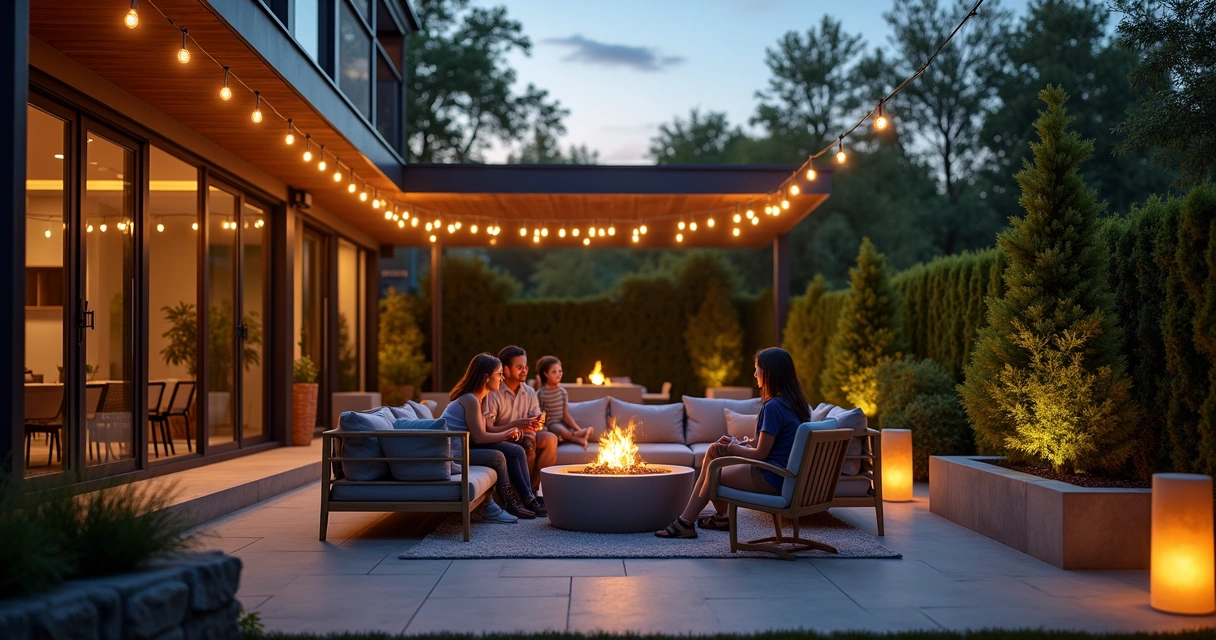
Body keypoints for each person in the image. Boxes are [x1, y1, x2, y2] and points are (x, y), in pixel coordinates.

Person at [656, 347, 810, 539]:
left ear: (769, 372)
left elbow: (761, 453)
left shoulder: (773, 407)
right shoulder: (794, 404)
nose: (755, 374)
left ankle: (686, 523)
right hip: (782, 474)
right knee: (713, 452)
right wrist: (740, 443)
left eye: (757, 369)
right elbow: (770, 444)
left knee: (713, 472)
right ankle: (718, 518)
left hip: (771, 476)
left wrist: (732, 448)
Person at [442, 353, 547, 519]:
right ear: (486, 376)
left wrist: (509, 432)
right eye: (499, 373)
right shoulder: (470, 399)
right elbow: (480, 438)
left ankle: (528, 499)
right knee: (498, 457)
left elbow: (481, 435)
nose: (502, 377)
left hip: (467, 445)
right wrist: (506, 434)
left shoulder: (479, 398)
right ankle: (510, 503)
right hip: (455, 453)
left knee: (516, 450)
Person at [483, 346, 558, 497]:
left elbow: (538, 418)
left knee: (551, 439)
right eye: (519, 367)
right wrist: (517, 427)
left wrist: (538, 423)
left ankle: (533, 489)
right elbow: (487, 428)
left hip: (525, 433)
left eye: (525, 366)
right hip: (502, 436)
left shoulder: (529, 392)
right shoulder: (494, 392)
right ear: (506, 369)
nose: (524, 370)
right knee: (528, 444)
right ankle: (523, 494)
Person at [536, 356, 593, 449]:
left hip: (562, 423)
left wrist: (578, 429)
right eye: (554, 372)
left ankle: (574, 434)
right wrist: (543, 427)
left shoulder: (562, 392)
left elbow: (566, 415)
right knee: (559, 430)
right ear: (545, 373)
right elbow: (540, 415)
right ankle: (578, 439)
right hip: (551, 425)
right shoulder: (541, 393)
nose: (558, 374)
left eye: (560, 371)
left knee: (563, 430)